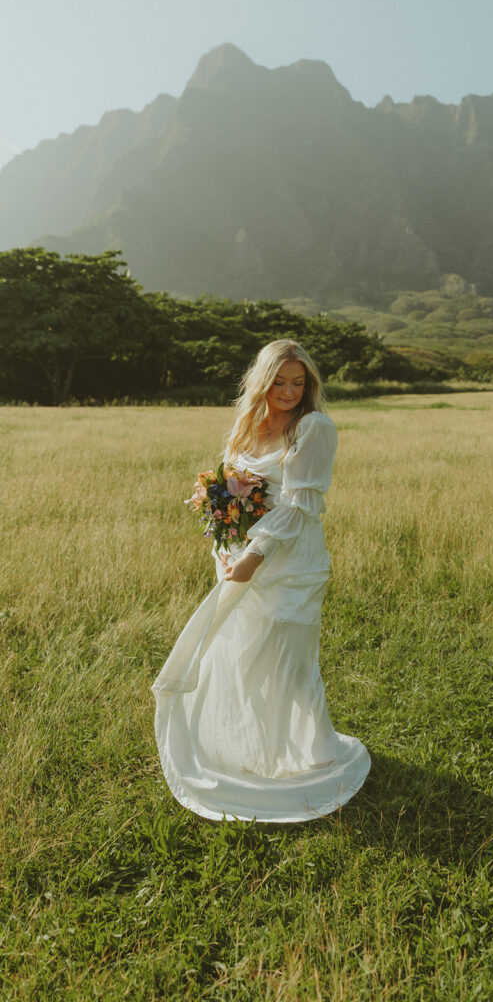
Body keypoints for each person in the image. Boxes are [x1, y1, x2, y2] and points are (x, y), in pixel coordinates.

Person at [151, 340, 371, 822]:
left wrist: (254, 555)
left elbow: (295, 507)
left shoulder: (313, 428)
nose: (290, 391)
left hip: (289, 564)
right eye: (279, 382)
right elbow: (229, 484)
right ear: (262, 382)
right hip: (237, 557)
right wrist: (226, 535)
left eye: (299, 382)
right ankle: (245, 748)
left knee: (289, 661)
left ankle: (309, 755)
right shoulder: (245, 425)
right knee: (242, 652)